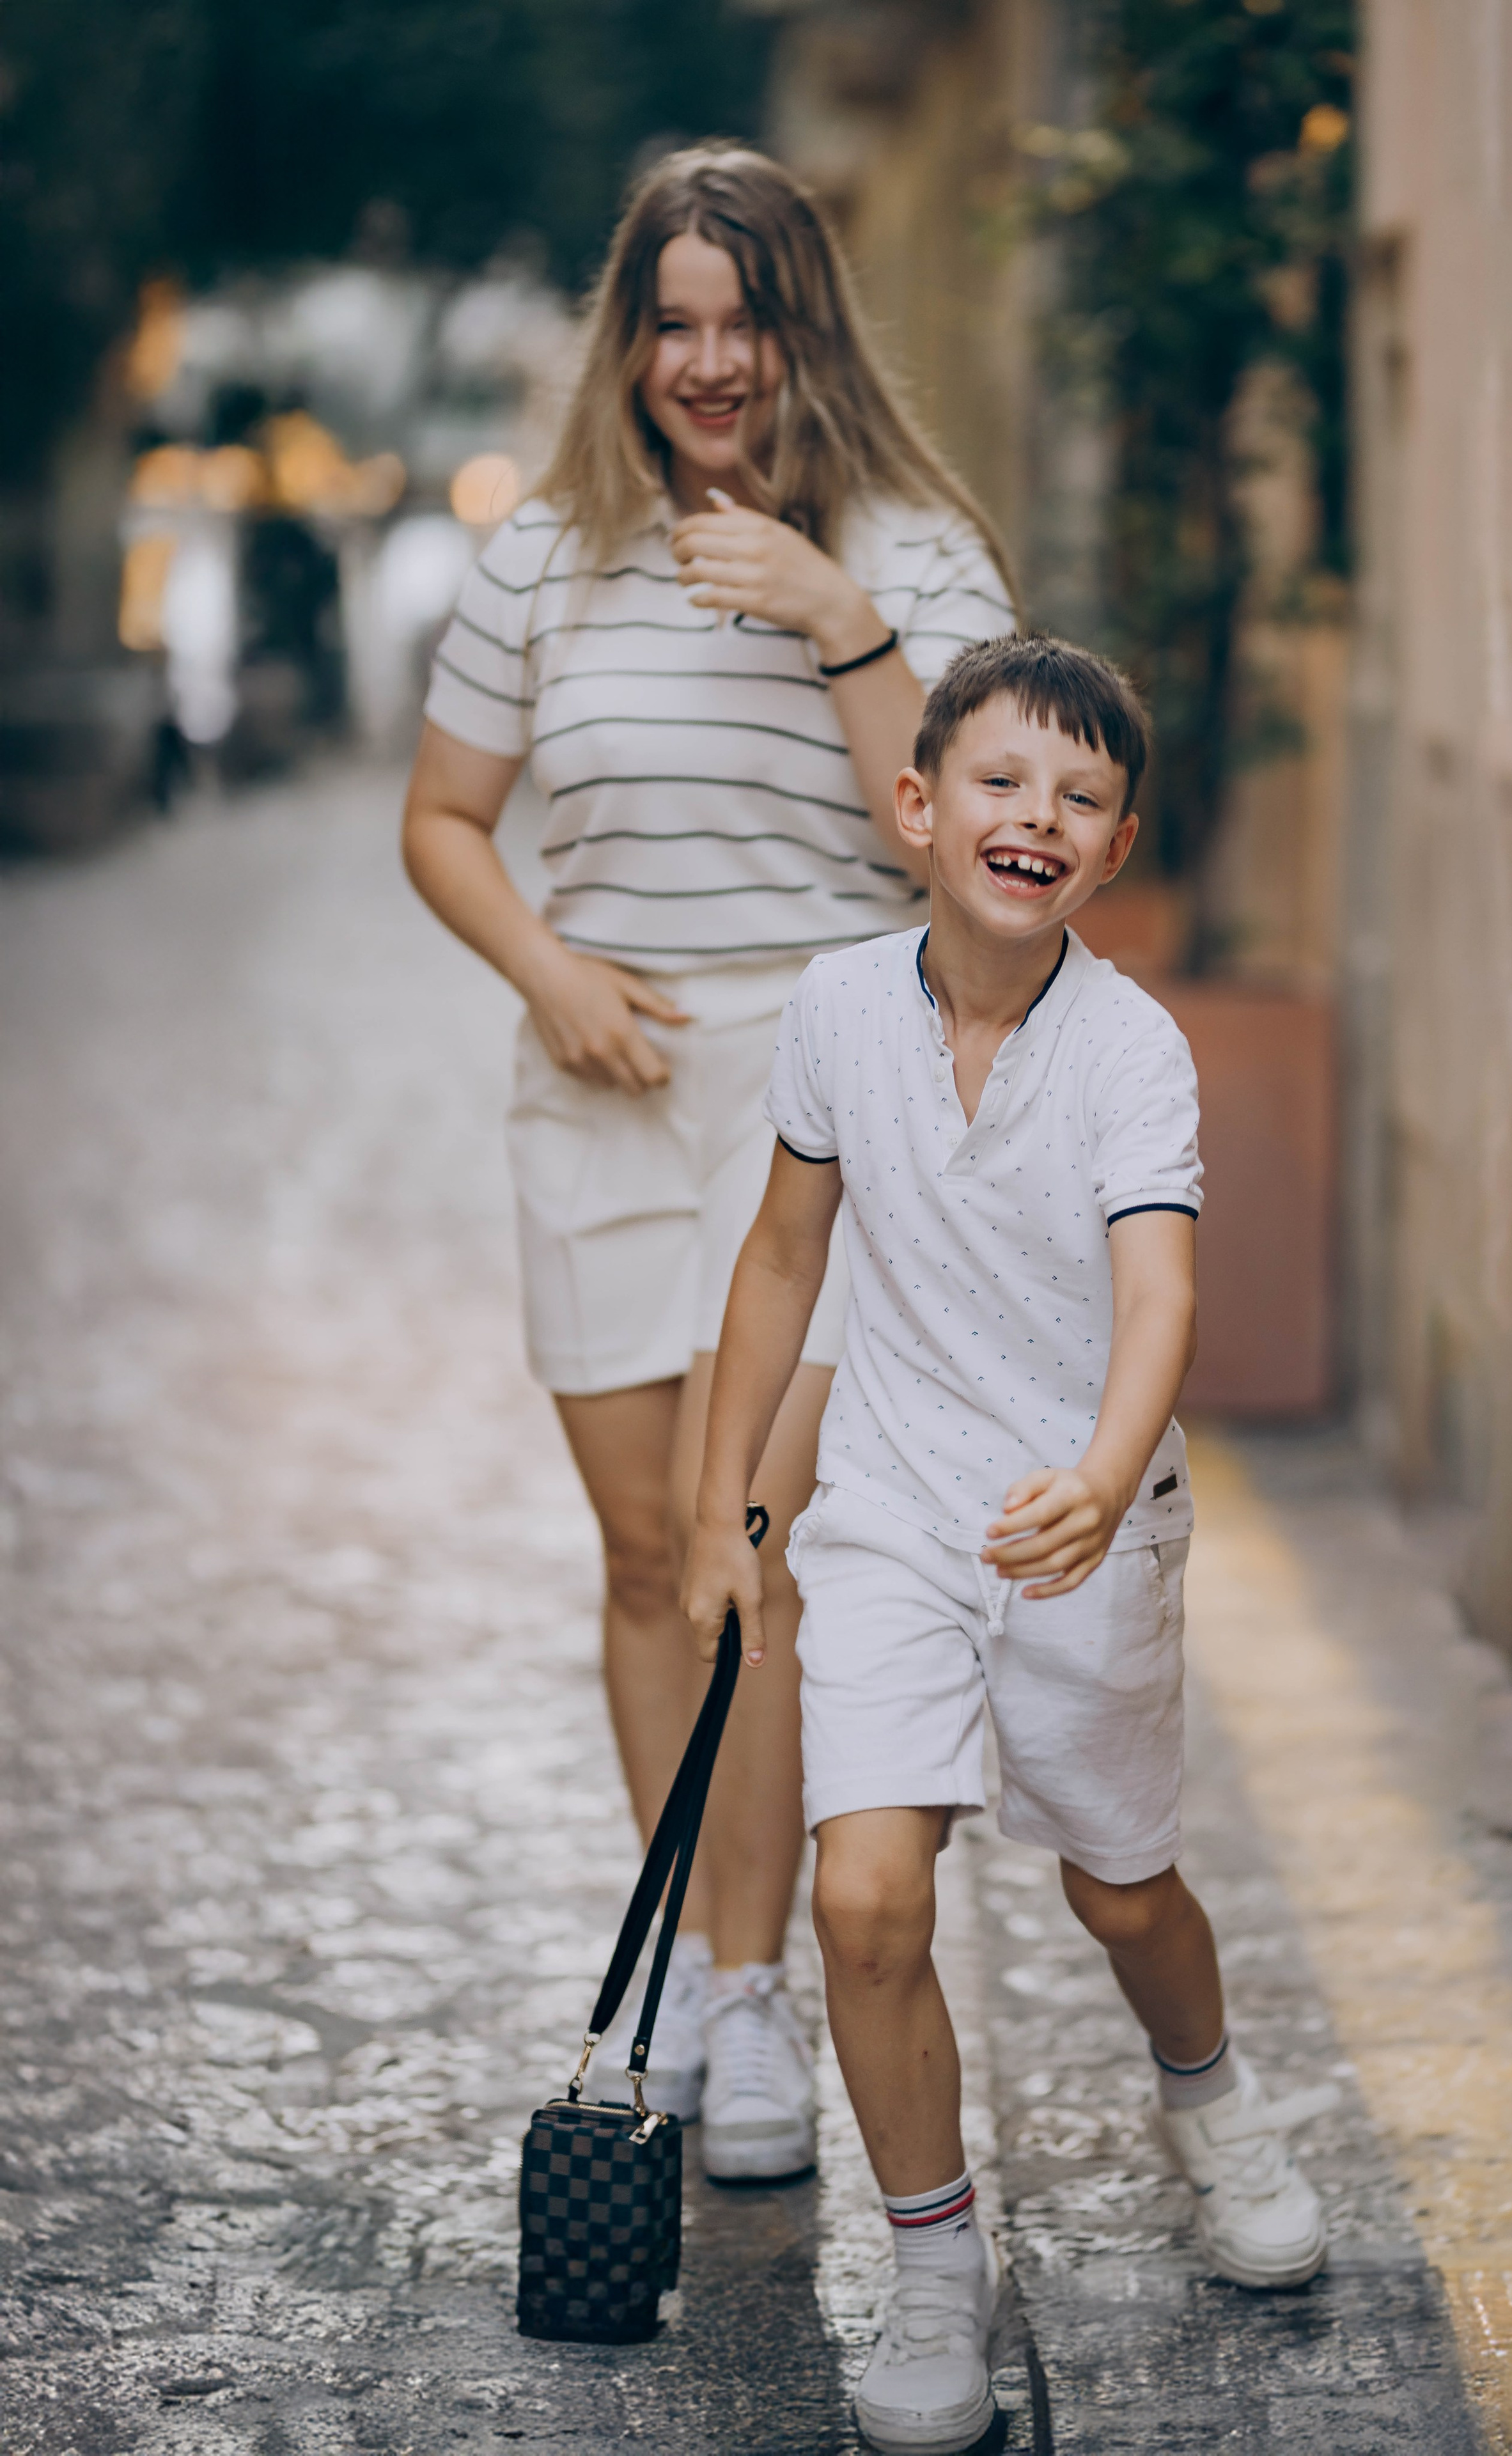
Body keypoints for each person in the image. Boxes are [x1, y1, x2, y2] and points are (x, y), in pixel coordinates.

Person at [401, 144, 1015, 2185]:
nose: (709, 359)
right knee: (651, 1565)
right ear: (629, 339)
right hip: (598, 1081)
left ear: (804, 324)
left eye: (744, 315)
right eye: (672, 320)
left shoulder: (918, 554)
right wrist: (548, 967)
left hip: (814, 1096)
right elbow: (446, 820)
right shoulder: (546, 555)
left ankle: (747, 1999)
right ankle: (678, 1970)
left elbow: (969, 846)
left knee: (751, 1560)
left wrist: (843, 617)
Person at [683, 634, 1335, 2453]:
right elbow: (784, 1258)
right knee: (867, 1894)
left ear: (1112, 850)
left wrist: (1106, 1475)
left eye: (1079, 795)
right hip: (890, 1509)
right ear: (918, 805)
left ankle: (1210, 2100)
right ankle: (936, 2265)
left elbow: (1161, 1292)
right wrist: (728, 1505)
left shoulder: (1133, 1051)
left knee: (1123, 1888)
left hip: (1080, 1521)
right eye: (999, 780)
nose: (1034, 814)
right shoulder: (834, 1010)